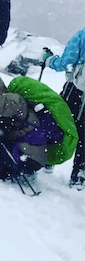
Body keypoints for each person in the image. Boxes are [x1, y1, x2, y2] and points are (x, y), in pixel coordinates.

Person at [42, 27, 85, 187]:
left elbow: (65, 63)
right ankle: (79, 175)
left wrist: (49, 60)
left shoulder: (82, 35)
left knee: (58, 121)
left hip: (76, 90)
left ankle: (48, 158)